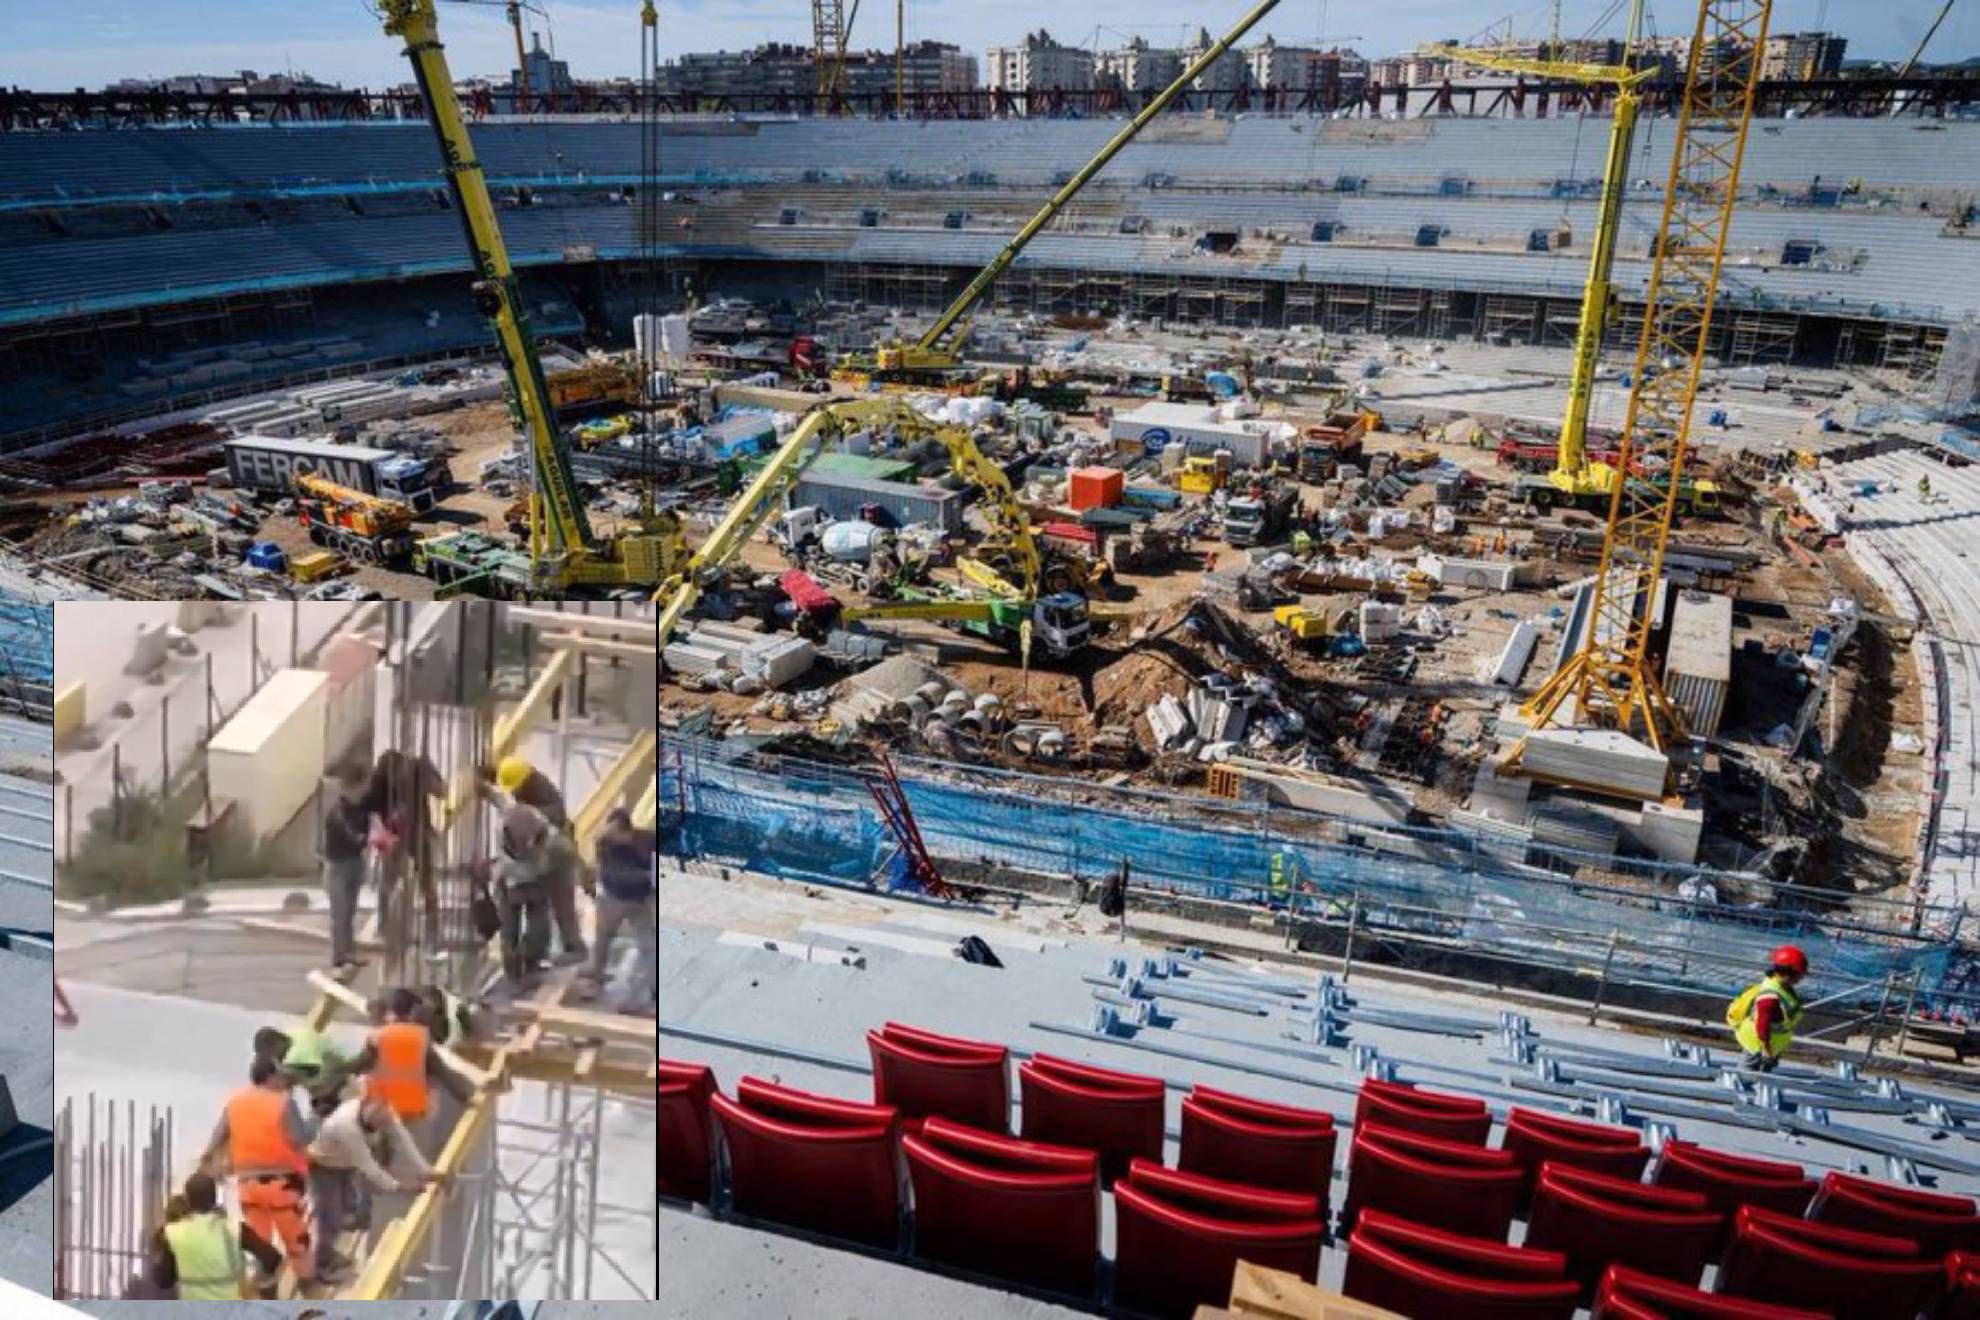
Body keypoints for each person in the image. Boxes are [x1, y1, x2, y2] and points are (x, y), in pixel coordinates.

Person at [199, 1056, 317, 1283]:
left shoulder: (235, 1102)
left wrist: (206, 1159)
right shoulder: (283, 1102)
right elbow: (299, 1138)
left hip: (247, 1186)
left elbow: (218, 1135)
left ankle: (264, 1284)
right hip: (282, 1185)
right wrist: (314, 1122)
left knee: (260, 1242)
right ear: (271, 1077)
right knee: (296, 1240)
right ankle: (306, 1283)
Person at [307, 1092, 434, 1284]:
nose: (380, 1124)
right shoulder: (346, 1126)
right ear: (365, 1105)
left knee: (344, 1210)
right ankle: (322, 1266)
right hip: (324, 1166)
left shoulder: (385, 1113)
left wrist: (426, 1170)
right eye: (377, 1120)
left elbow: (403, 1139)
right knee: (329, 1216)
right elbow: (369, 1167)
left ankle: (330, 1253)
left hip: (345, 1163)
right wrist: (400, 1187)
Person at [349, 987, 475, 1151]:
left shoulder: (378, 1036)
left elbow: (358, 1065)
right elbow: (443, 1072)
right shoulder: (420, 1037)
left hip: (381, 1111)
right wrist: (466, 1096)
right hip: (412, 1114)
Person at [152, 1172, 283, 1300]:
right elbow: (273, 1259)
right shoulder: (235, 1228)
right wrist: (257, 1286)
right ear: (214, 1197)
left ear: (188, 1200)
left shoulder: (172, 1233)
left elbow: (163, 1281)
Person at [582, 808, 657, 1015]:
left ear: (627, 831)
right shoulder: (604, 843)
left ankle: (653, 992)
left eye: (615, 833)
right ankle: (595, 977)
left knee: (648, 945)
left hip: (640, 901)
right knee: (602, 939)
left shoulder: (647, 841)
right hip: (613, 899)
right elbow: (610, 873)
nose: (610, 837)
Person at [493, 803, 556, 984]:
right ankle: (519, 967)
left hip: (529, 878)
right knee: (512, 926)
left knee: (532, 925)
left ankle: (526, 965)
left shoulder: (538, 830)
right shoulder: (507, 828)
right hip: (515, 879)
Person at [1727, 945, 1809, 1074]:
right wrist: (1766, 1049)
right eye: (1800, 976)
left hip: (1772, 1043)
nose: (1801, 979)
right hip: (1758, 1043)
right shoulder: (1770, 997)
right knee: (1747, 1071)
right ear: (1787, 973)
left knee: (1763, 1072)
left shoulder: (1781, 985)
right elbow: (1762, 1025)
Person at [321, 764, 372, 972]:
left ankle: (349, 953)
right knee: (339, 914)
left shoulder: (362, 810)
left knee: (349, 912)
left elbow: (367, 830)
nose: (364, 791)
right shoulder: (338, 812)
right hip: (337, 866)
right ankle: (338, 958)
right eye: (361, 787)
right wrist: (366, 839)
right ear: (351, 787)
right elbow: (352, 835)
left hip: (354, 863)